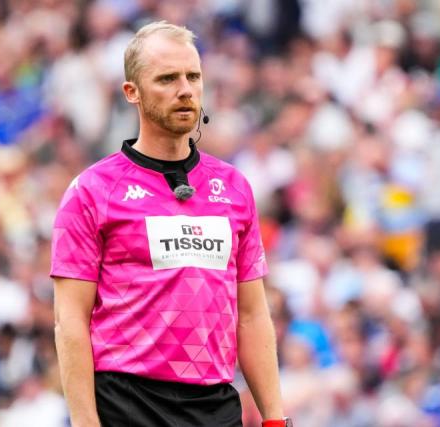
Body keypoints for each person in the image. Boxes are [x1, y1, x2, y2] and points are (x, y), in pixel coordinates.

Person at [51, 21, 289, 427]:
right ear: (133, 93)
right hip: (127, 404)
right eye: (166, 79)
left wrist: (274, 418)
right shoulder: (92, 190)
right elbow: (70, 320)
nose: (185, 89)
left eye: (193, 76)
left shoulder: (234, 188)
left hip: (215, 405)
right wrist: (85, 422)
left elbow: (251, 315)